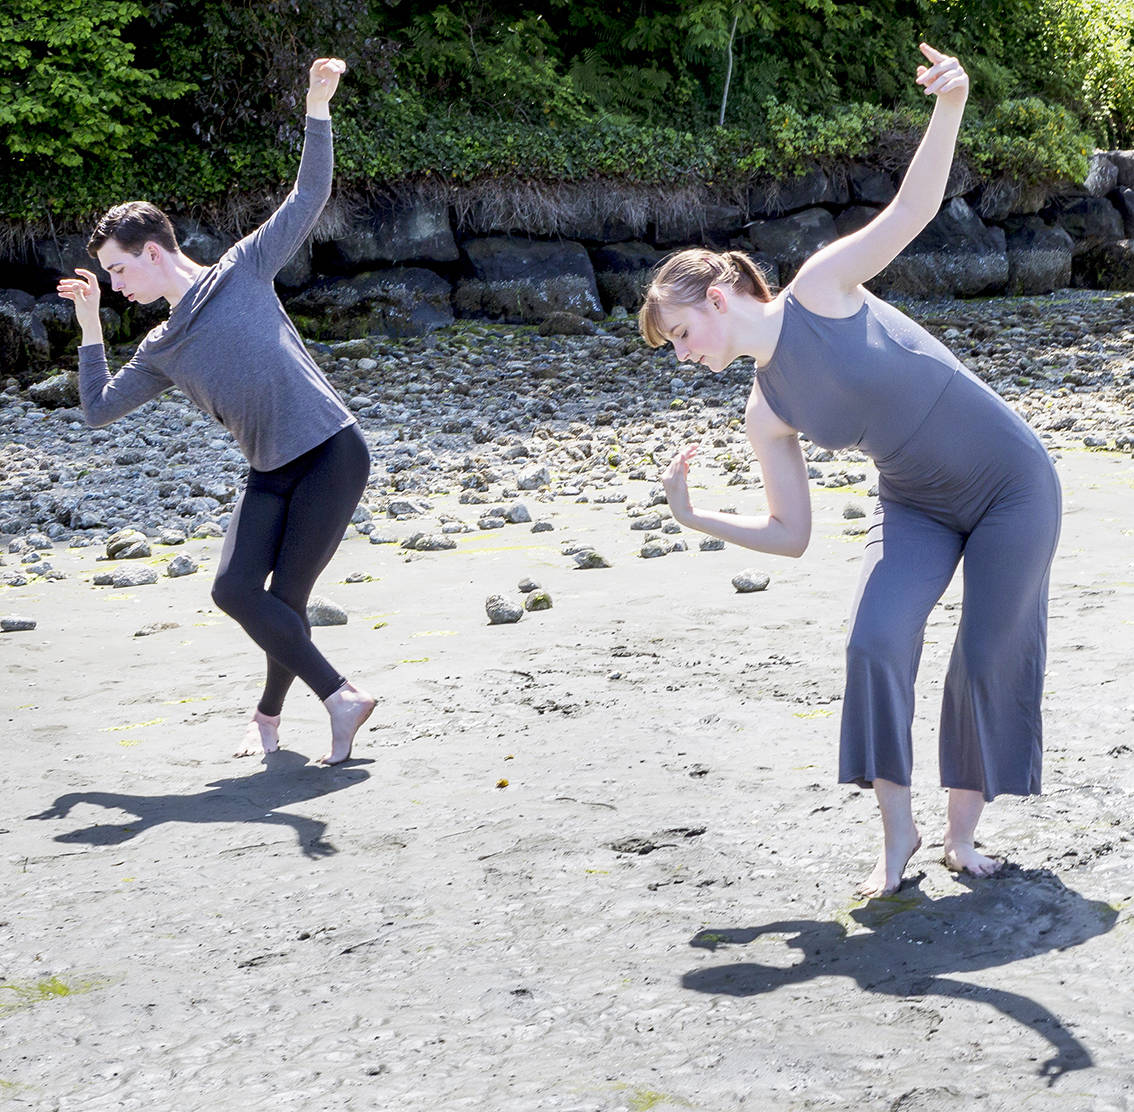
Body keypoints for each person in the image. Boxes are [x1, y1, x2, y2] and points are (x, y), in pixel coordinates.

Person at [639, 44, 1062, 897]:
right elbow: (792, 536)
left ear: (716, 300)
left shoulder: (822, 287)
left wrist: (951, 103)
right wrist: (696, 519)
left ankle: (962, 836)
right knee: (875, 638)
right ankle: (897, 832)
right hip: (913, 502)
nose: (683, 356)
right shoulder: (766, 409)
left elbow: (913, 208)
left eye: (681, 335)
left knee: (985, 656)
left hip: (1010, 484)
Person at [57, 58, 375, 766]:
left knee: (285, 598)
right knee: (237, 590)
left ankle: (316, 708)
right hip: (270, 471)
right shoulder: (162, 345)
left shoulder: (242, 268)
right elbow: (98, 411)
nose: (114, 284)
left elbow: (309, 193)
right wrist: (90, 326)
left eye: (116, 270)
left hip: (330, 451)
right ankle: (299, 713)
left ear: (151, 251)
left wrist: (317, 108)